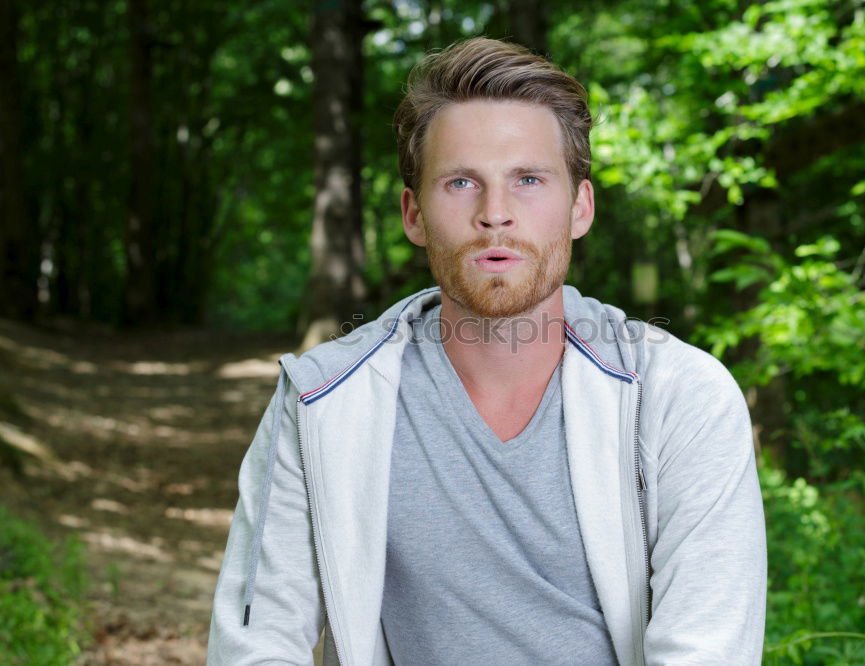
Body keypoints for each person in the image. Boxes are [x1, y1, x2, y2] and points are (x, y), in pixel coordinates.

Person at [207, 37, 766, 665]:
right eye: (461, 182)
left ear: (580, 207)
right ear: (413, 213)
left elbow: (706, 652)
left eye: (528, 179)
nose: (494, 214)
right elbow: (256, 645)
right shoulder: (322, 398)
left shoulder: (680, 396)